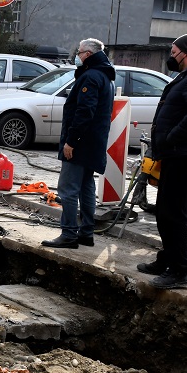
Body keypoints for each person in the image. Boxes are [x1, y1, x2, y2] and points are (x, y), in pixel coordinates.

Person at [138, 34, 187, 289]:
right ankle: (167, 260)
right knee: (164, 213)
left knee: (174, 214)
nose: (171, 56)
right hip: (175, 155)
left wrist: (171, 137)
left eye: (174, 51)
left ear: (186, 52)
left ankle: (180, 271)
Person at [43, 38, 115, 249]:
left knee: (68, 189)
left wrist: (71, 142)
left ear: (88, 55)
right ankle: (86, 233)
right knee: (86, 187)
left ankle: (69, 234)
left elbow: (84, 112)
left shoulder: (91, 77)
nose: (77, 55)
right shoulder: (104, 76)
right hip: (93, 144)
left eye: (80, 52)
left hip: (81, 144)